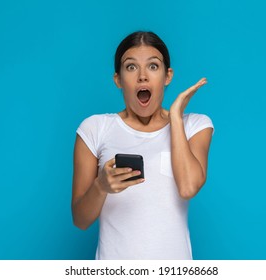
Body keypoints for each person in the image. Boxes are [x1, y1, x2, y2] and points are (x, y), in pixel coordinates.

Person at [71, 31, 214, 260]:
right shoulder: (94, 128)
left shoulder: (195, 126)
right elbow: (80, 219)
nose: (142, 77)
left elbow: (188, 187)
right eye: (131, 67)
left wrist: (175, 117)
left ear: (168, 76)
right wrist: (100, 187)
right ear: (118, 79)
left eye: (153, 67)